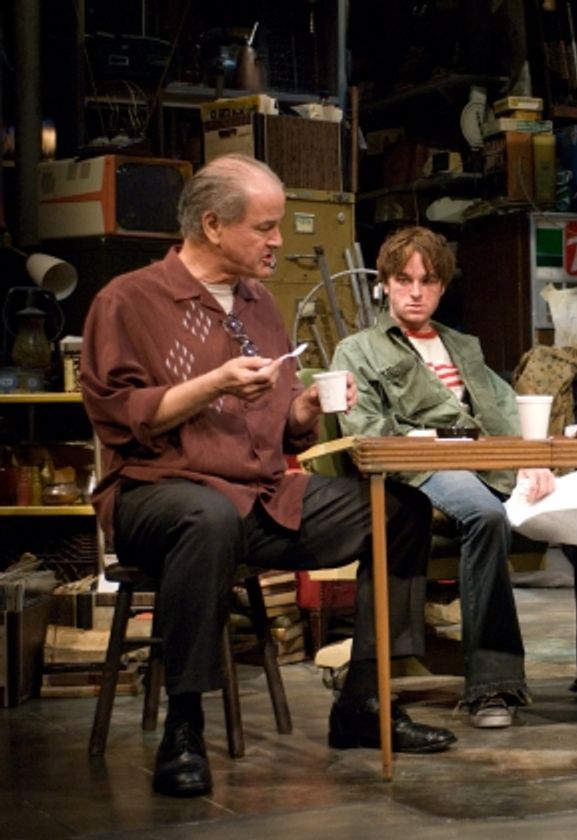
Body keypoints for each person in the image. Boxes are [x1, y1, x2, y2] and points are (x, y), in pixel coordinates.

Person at [80, 155, 456, 799]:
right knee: (207, 517)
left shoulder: (257, 303)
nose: (279, 240)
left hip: (259, 496)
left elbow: (275, 430)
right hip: (158, 492)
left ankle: (363, 702)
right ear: (212, 225)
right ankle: (185, 726)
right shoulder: (130, 300)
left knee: (398, 511)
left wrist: (303, 411)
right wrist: (213, 384)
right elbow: (120, 417)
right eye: (265, 227)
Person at [331, 225, 577, 728]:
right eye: (405, 280)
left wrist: (534, 459)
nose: (416, 292)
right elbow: (366, 431)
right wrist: (431, 446)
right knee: (483, 516)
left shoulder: (462, 345)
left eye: (428, 281)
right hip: (426, 469)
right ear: (385, 284)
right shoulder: (360, 350)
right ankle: (493, 686)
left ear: (442, 287)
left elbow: (505, 411)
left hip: (493, 461)